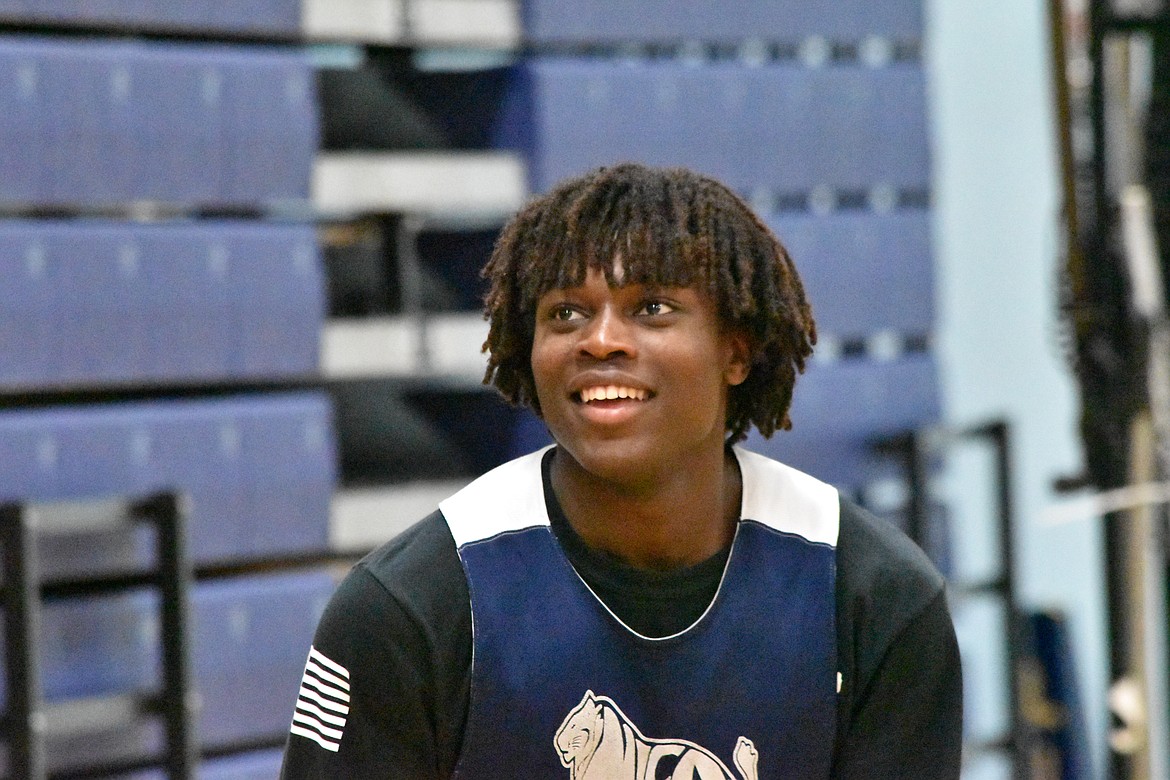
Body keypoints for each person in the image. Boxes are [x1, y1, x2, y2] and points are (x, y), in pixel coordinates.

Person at [280, 163, 962, 779]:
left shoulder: (875, 598)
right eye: (565, 313)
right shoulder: (407, 608)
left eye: (652, 308)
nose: (600, 339)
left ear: (736, 351)